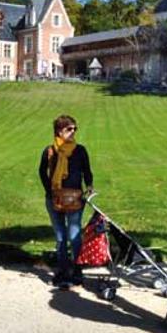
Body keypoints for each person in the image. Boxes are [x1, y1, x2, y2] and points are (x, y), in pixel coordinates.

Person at [38, 115, 94, 288]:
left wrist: (89, 186)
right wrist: (50, 191)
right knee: (61, 237)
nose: (73, 132)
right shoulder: (50, 150)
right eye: (69, 129)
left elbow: (87, 171)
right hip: (54, 198)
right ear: (59, 131)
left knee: (74, 235)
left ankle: (77, 271)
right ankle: (62, 271)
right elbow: (42, 172)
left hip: (74, 198)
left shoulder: (80, 150)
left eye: (75, 128)